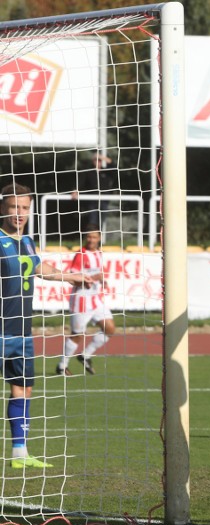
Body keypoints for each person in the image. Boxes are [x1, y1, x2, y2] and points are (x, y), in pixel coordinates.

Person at [0, 183, 90, 468]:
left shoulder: (26, 241)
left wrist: (72, 277)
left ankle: (19, 454)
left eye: (25, 208)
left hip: (21, 331)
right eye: (14, 207)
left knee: (23, 387)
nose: (20, 213)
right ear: (3, 207)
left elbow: (39, 268)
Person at [55, 226, 115, 376]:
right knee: (77, 335)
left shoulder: (99, 254)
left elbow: (97, 274)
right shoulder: (81, 255)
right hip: (81, 301)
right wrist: (95, 278)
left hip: (96, 299)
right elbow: (73, 279)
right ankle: (62, 366)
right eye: (88, 237)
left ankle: (85, 355)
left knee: (110, 328)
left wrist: (102, 282)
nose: (91, 240)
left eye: (94, 237)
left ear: (99, 238)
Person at [74, 152, 116, 234]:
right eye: (96, 160)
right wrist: (75, 190)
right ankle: (92, 236)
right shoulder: (89, 172)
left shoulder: (107, 171)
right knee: (92, 219)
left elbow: (114, 165)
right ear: (93, 161)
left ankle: (101, 237)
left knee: (103, 218)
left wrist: (102, 157)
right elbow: (80, 182)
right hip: (92, 199)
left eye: (99, 160)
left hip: (104, 199)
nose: (98, 162)